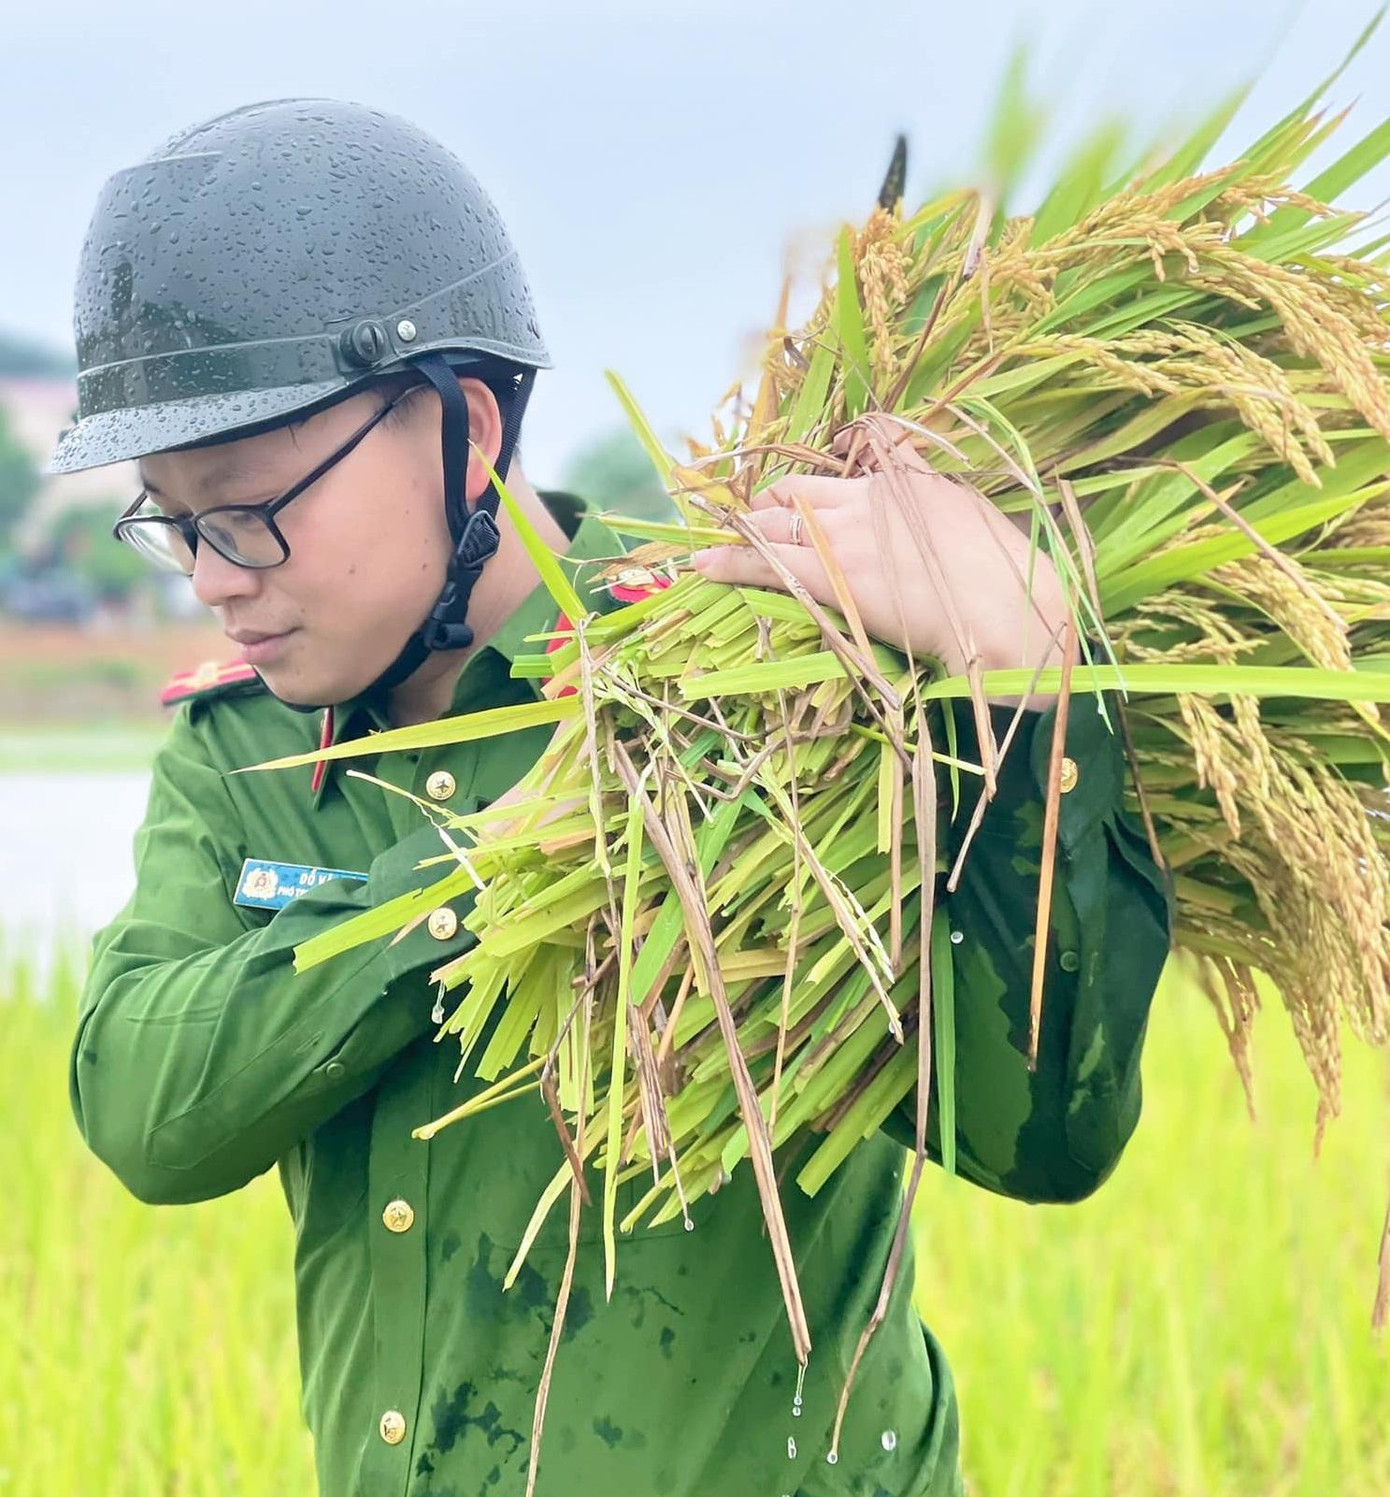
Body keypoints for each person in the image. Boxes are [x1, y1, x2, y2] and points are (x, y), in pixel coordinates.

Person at [57, 99, 1173, 1497]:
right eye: (175, 523)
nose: (217, 576)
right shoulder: (245, 751)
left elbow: (1039, 1137)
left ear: (464, 428)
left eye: (248, 509)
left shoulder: (754, 690)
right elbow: (143, 1105)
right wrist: (497, 878)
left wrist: (1028, 681)